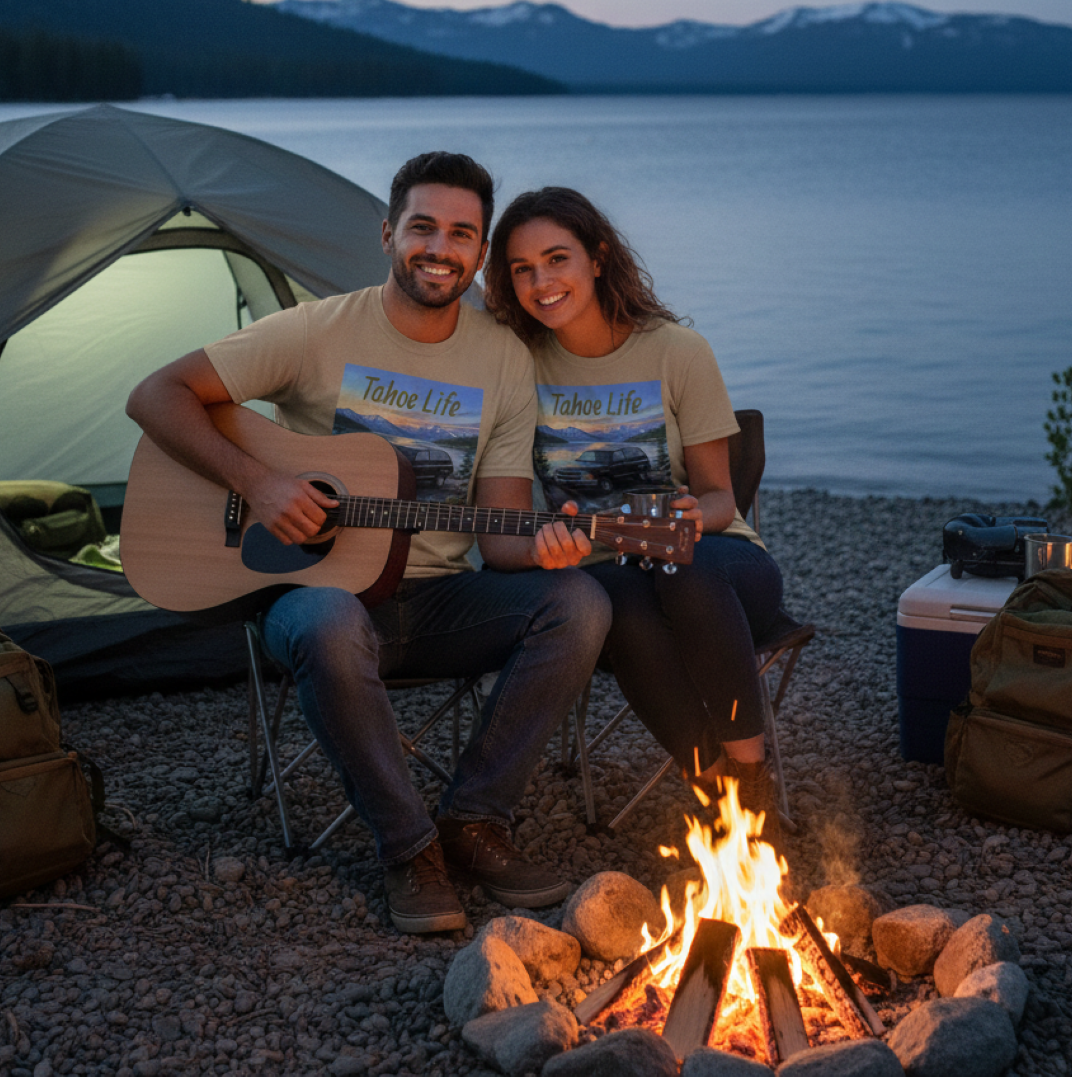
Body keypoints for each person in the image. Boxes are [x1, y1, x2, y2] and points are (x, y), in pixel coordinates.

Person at [126, 153, 610, 934]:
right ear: (388, 233)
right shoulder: (316, 330)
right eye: (422, 226)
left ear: (480, 254)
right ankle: (408, 846)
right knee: (325, 619)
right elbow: (155, 395)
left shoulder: (504, 359)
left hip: (440, 601)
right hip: (316, 599)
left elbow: (504, 541)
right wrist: (260, 484)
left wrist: (555, 546)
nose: (439, 247)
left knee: (580, 604)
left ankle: (475, 822)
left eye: (461, 233)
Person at [483, 186, 788, 833]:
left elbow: (719, 498)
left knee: (683, 568)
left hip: (718, 564)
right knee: (619, 602)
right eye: (522, 269)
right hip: (608, 570)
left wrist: (677, 524)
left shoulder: (677, 351)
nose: (542, 282)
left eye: (557, 259)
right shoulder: (521, 365)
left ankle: (751, 782)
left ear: (597, 258)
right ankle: (717, 795)